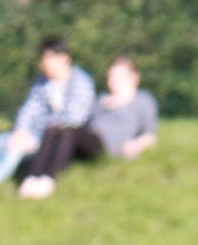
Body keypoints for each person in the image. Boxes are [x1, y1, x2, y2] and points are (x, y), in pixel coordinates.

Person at [0, 37, 93, 196]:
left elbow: (74, 119)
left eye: (49, 58)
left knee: (13, 153)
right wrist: (21, 131)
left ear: (64, 58)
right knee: (1, 141)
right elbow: (28, 110)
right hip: (34, 134)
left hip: (54, 140)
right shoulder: (42, 82)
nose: (44, 63)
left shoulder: (81, 82)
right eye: (43, 58)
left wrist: (34, 139)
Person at [17, 55, 160, 193]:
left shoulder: (143, 100)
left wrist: (136, 144)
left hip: (104, 145)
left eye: (119, 76)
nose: (114, 80)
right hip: (87, 137)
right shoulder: (102, 100)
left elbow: (150, 134)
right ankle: (32, 177)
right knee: (54, 128)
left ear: (134, 77)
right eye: (111, 76)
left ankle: (47, 179)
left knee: (69, 130)